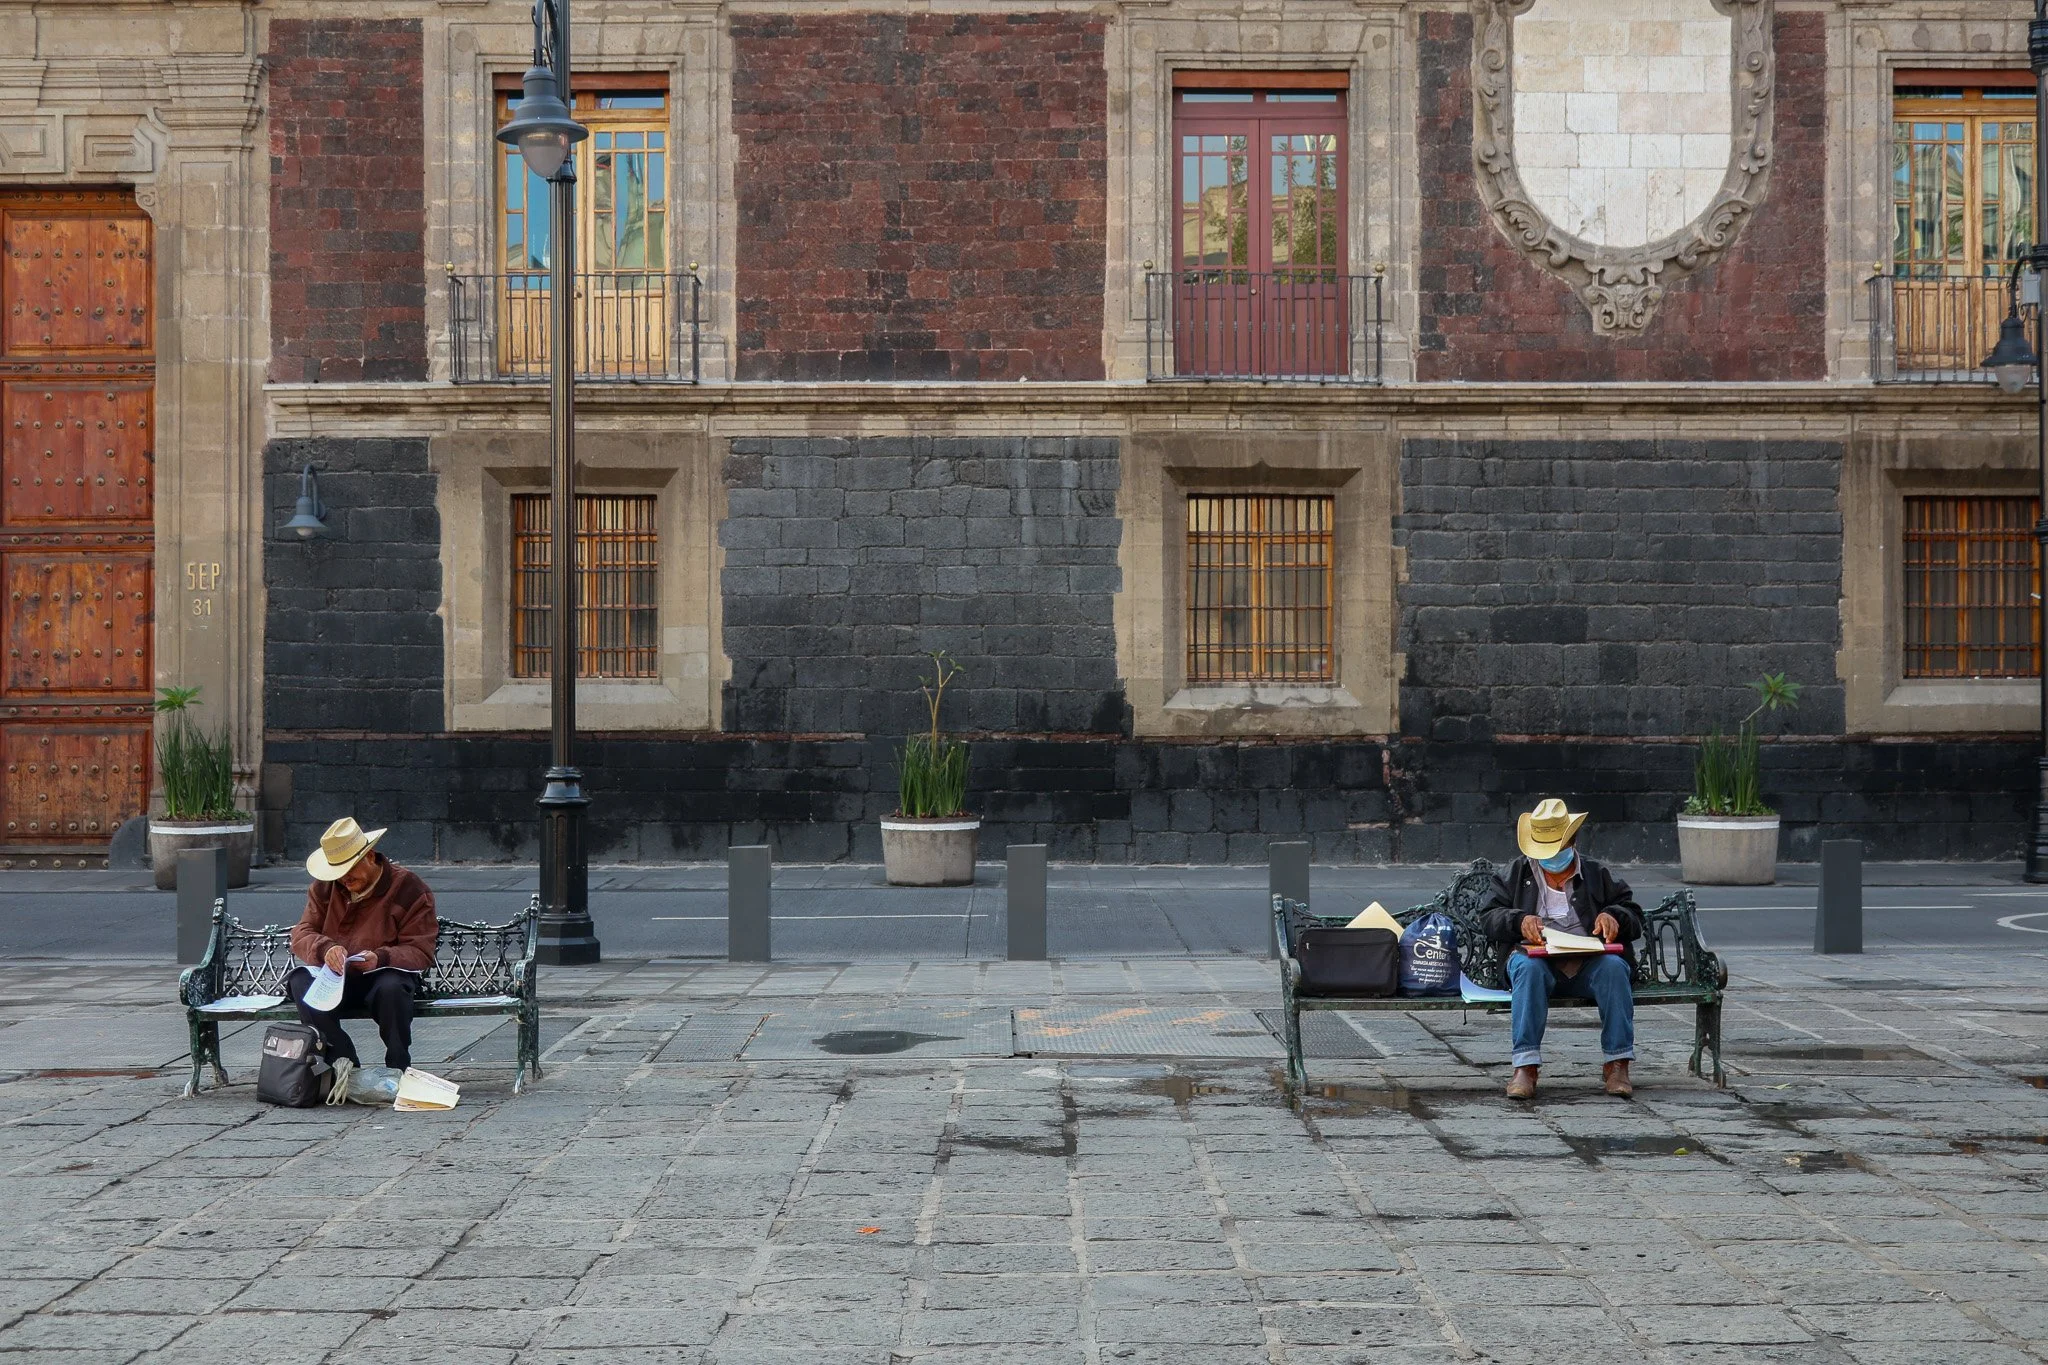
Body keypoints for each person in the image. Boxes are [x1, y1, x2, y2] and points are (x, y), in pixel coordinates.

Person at [1479, 798, 1643, 1100]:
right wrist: (1519, 921)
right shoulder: (1514, 874)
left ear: (1572, 841)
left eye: (1557, 847)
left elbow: (1633, 914)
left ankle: (1617, 1063)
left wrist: (1613, 916)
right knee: (1527, 970)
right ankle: (1525, 1068)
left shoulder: (1597, 873)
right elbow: (1488, 917)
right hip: (1537, 962)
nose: (1550, 856)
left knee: (1614, 969)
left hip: (1588, 963)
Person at [285, 817, 439, 1071]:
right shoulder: (325, 887)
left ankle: (399, 1065)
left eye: (349, 869)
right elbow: (303, 932)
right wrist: (326, 949)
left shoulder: (409, 888)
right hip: (336, 979)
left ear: (369, 856)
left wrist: (381, 958)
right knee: (300, 981)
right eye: (338, 871)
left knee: (392, 986)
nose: (343, 878)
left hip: (382, 975)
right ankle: (344, 1063)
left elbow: (420, 950)